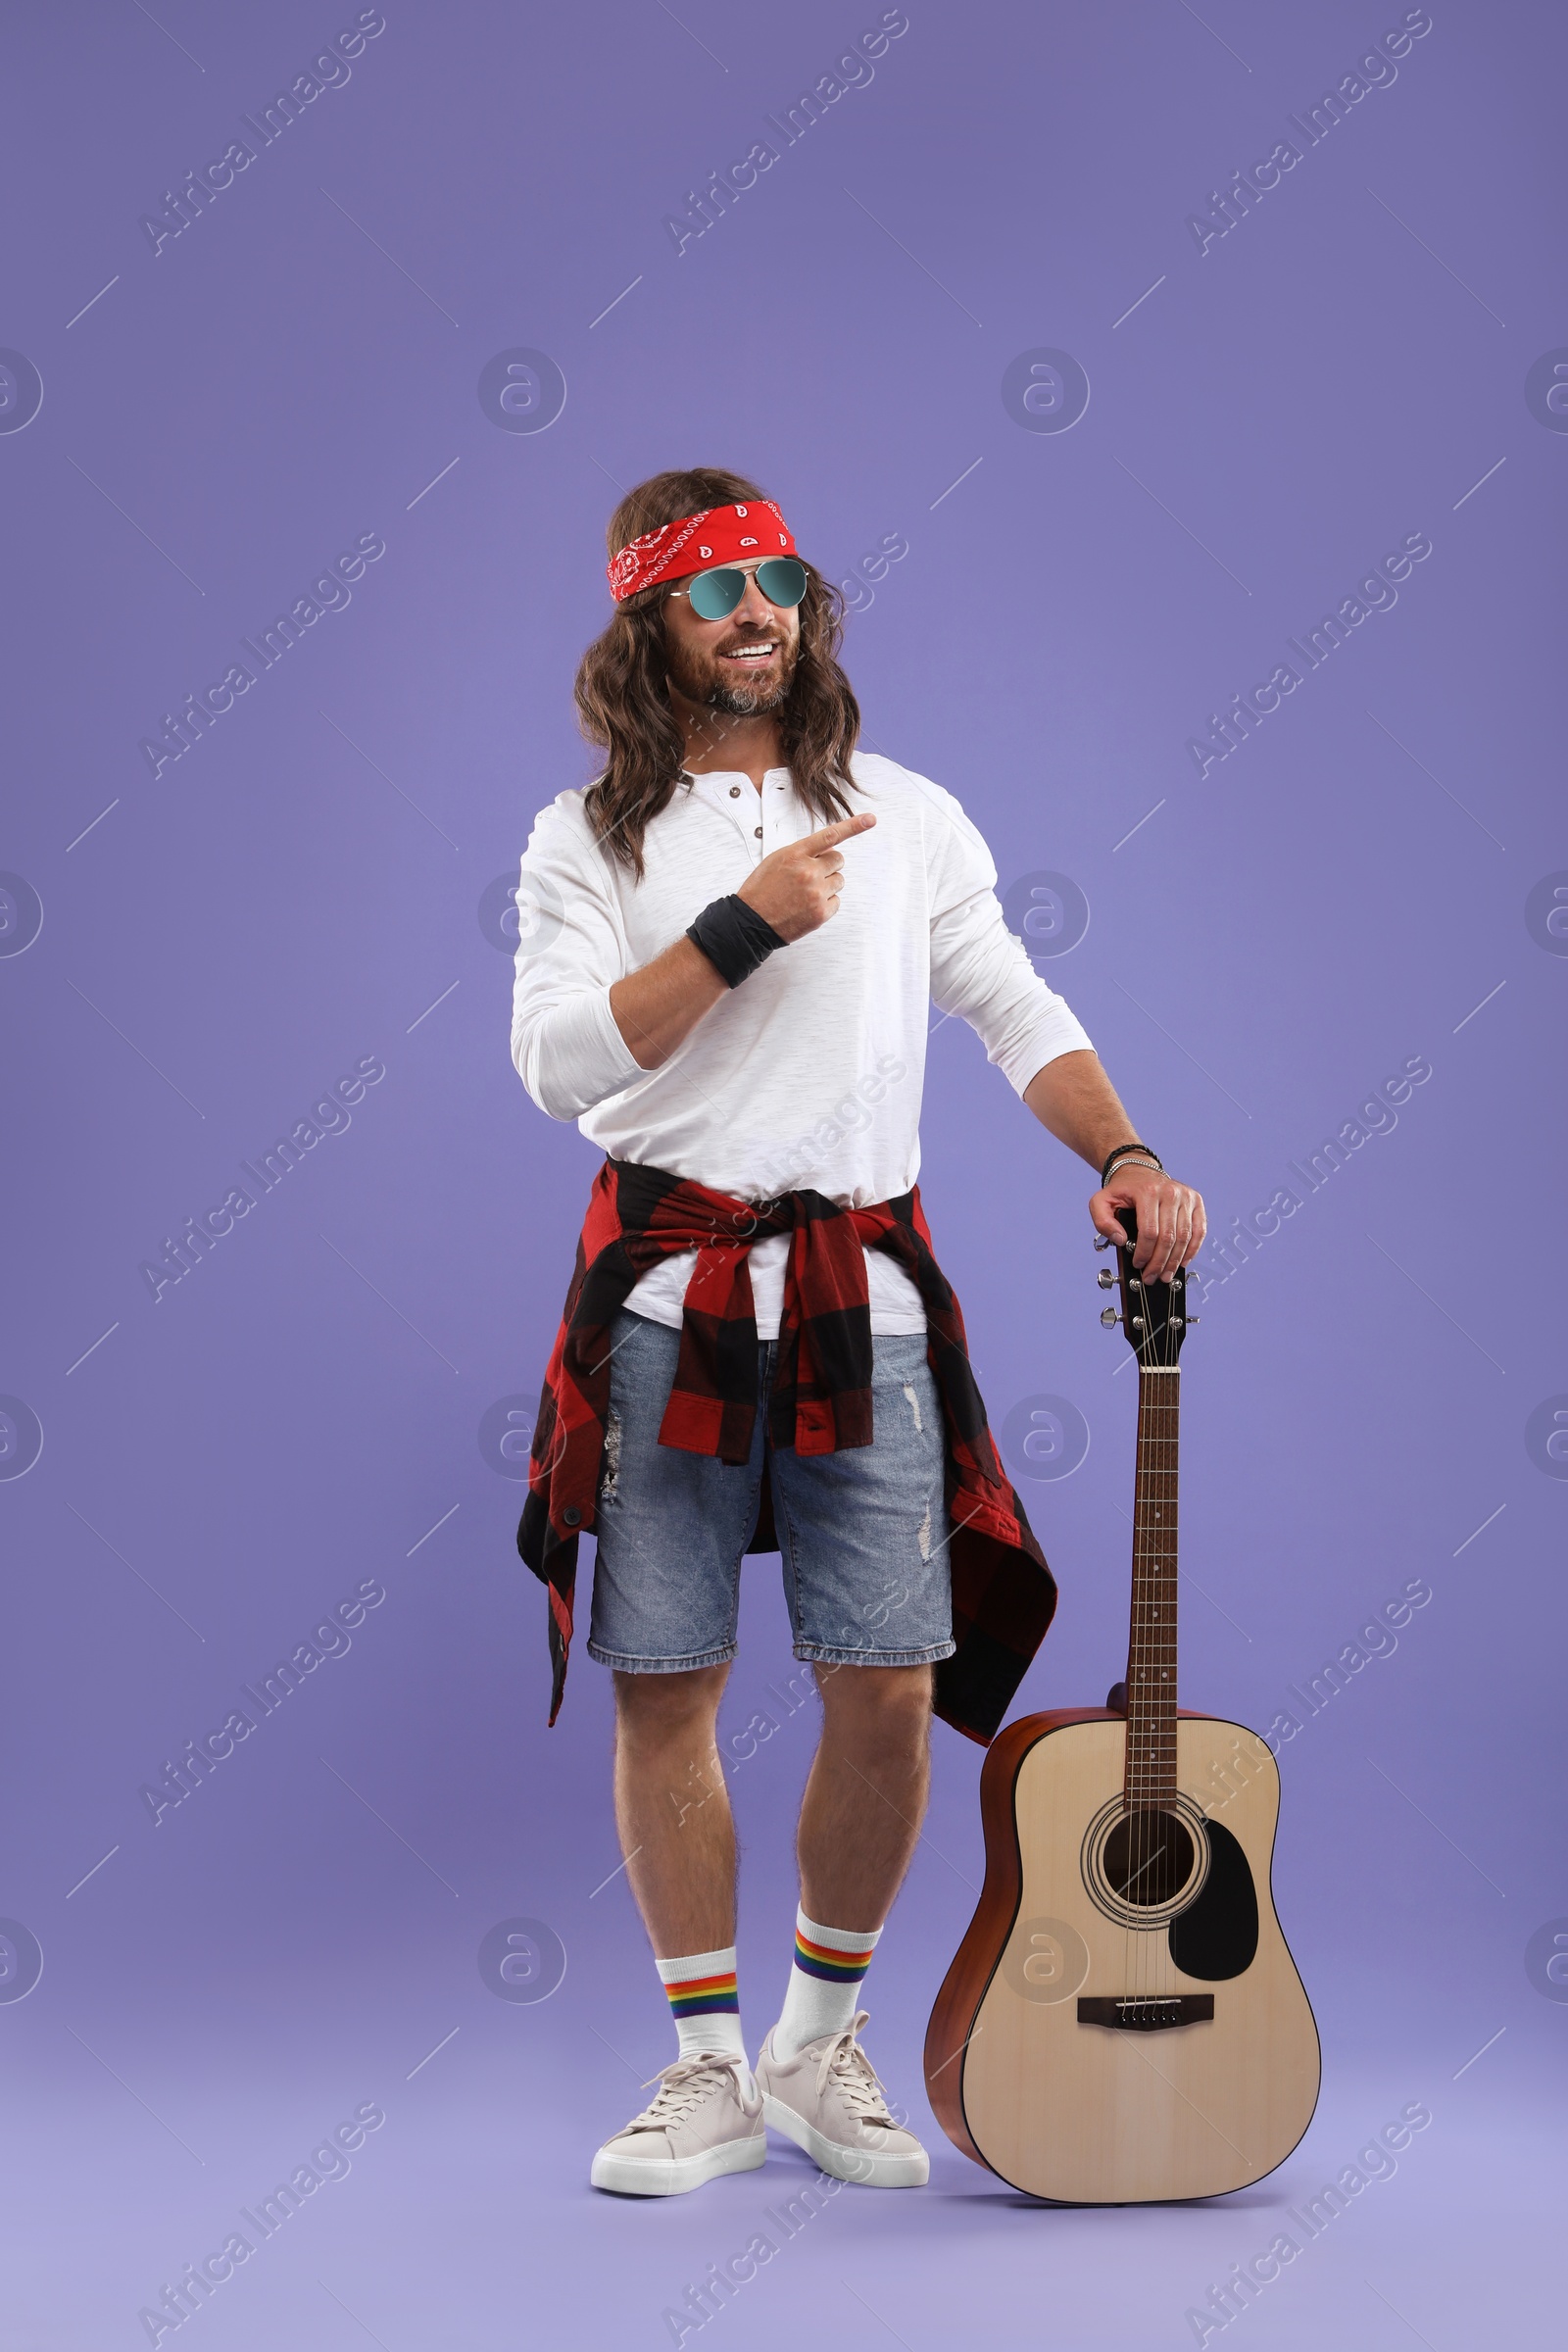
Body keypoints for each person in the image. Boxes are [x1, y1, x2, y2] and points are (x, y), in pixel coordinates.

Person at [510, 466, 1205, 2197]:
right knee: (666, 1682)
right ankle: (704, 2072)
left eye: (785, 579)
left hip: (862, 1302)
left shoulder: (908, 812)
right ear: (646, 625)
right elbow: (560, 1067)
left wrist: (1118, 1148)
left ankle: (824, 2050)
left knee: (890, 1689)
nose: (763, 612)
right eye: (716, 589)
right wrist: (744, 927)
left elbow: (1011, 1004)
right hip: (669, 1300)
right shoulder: (584, 834)